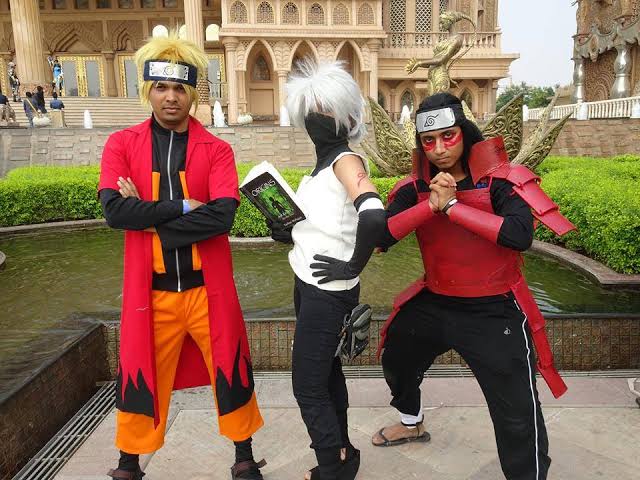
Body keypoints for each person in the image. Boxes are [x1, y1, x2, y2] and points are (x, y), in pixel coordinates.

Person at [368, 93, 576, 480]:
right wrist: (430, 205)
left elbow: (519, 235)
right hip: (434, 300)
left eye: (448, 136)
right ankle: (412, 422)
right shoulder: (414, 188)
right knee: (396, 358)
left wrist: (451, 207)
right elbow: (380, 239)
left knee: (517, 412)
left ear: (464, 133)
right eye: (428, 141)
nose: (439, 149)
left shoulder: (502, 182)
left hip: (495, 308)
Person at [98, 31, 265, 480]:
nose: (170, 97)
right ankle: (129, 463)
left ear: (192, 92)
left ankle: (244, 456)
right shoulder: (121, 145)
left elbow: (222, 217)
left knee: (231, 369)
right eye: (161, 87)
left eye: (179, 88)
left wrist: (148, 216)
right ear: (147, 90)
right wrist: (185, 207)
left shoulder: (217, 149)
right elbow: (115, 212)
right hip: (150, 295)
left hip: (207, 292)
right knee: (139, 375)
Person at [268, 59, 387, 480]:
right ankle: (344, 455)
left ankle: (330, 469)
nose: (318, 115)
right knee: (327, 374)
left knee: (307, 385)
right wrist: (291, 233)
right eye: (313, 107)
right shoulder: (323, 167)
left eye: (327, 107)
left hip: (327, 292)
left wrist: (353, 264)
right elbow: (328, 226)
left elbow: (374, 214)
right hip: (309, 284)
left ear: (348, 118)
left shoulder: (345, 161)